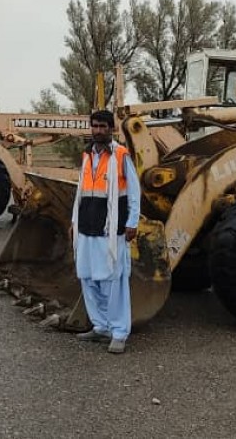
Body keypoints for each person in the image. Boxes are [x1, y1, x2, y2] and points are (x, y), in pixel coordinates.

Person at [70, 109, 140, 354]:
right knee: (88, 279)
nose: (98, 130)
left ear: (112, 129)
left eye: (102, 126)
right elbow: (81, 189)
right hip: (86, 227)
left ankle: (119, 332)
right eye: (95, 126)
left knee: (112, 281)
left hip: (111, 230)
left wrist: (132, 222)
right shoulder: (87, 154)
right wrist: (74, 222)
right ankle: (100, 326)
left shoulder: (121, 155)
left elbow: (133, 191)